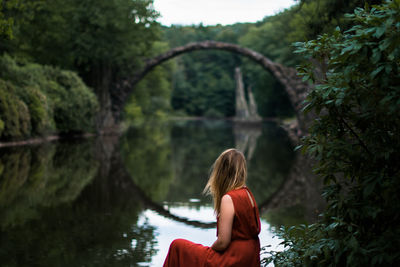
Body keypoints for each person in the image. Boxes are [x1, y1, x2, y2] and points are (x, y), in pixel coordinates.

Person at [163, 148, 261, 267]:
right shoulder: (247, 193)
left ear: (221, 172)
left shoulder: (229, 198)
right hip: (249, 256)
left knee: (177, 246)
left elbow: (222, 242)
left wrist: (211, 249)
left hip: (233, 259)